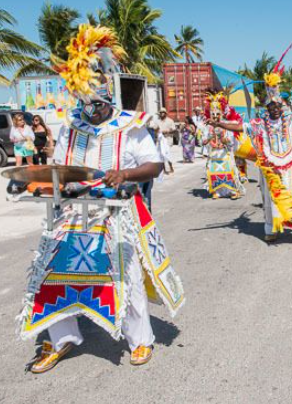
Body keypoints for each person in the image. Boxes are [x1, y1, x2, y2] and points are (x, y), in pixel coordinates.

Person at [20, 24, 184, 373]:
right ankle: (61, 337)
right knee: (54, 273)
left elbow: (154, 165)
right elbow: (62, 168)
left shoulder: (132, 124)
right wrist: (37, 183)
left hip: (119, 212)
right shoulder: (71, 124)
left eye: (96, 104)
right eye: (85, 103)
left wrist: (124, 174)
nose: (90, 111)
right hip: (73, 212)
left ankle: (140, 340)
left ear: (108, 94)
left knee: (125, 277)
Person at [209, 55, 292, 242]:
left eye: (277, 105)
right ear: (267, 107)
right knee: (270, 199)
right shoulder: (259, 123)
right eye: (271, 106)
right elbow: (240, 127)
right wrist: (220, 124)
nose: (275, 109)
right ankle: (271, 229)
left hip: (291, 165)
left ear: (282, 106)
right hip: (270, 167)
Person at [202, 91, 244, 200]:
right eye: (213, 114)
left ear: (221, 113)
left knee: (229, 170)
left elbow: (230, 141)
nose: (215, 116)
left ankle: (233, 190)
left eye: (217, 114)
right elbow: (204, 141)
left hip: (225, 152)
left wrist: (222, 138)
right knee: (215, 172)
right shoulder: (207, 126)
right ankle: (218, 191)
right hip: (214, 153)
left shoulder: (226, 125)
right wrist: (210, 138)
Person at [152, 108, 176, 172]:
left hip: (168, 139)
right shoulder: (157, 121)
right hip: (160, 140)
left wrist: (167, 131)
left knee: (167, 153)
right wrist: (156, 131)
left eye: (163, 112)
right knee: (161, 155)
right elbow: (154, 129)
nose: (162, 114)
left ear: (165, 114)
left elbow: (174, 130)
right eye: (161, 113)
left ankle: (171, 167)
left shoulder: (170, 121)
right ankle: (164, 169)